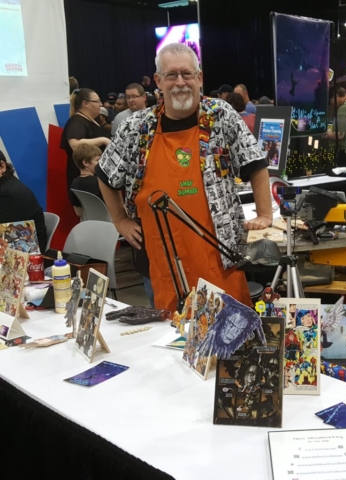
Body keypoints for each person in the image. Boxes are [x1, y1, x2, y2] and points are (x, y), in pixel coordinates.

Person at [96, 43, 272, 315]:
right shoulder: (135, 128)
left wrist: (265, 214)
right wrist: (120, 220)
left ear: (199, 78)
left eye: (187, 74)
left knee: (229, 329)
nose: (180, 82)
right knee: (169, 333)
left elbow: (257, 164)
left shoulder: (221, 116)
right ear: (158, 81)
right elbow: (105, 174)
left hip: (218, 256)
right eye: (171, 75)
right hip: (158, 258)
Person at [60, 88, 111, 198]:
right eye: (97, 101)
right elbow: (75, 144)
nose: (100, 104)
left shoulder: (90, 120)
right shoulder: (76, 122)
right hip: (87, 182)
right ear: (85, 103)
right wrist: (103, 140)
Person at [0, 151, 47, 253]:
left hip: (24, 256)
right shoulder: (7, 184)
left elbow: (6, 239)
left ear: (2, 167)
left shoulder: (9, 194)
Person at [69, 144, 104, 218]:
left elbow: (79, 213)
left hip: (87, 222)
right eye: (98, 160)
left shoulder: (74, 183)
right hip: (108, 222)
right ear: (86, 163)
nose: (101, 163)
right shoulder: (101, 182)